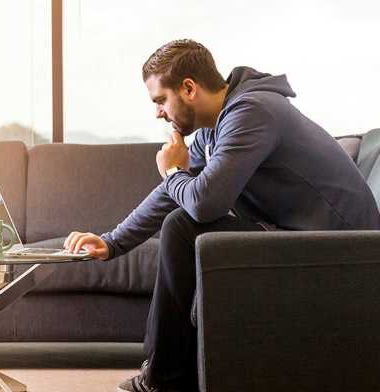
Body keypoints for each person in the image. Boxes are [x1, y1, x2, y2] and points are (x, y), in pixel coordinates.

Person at [64, 39, 380, 392]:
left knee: (185, 226)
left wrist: (172, 173)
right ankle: (164, 375)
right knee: (181, 222)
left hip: (344, 252)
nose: (158, 113)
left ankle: (164, 378)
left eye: (160, 100)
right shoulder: (216, 129)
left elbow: (204, 203)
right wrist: (111, 242)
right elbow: (170, 197)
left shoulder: (253, 112)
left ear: (188, 88)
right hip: (298, 238)